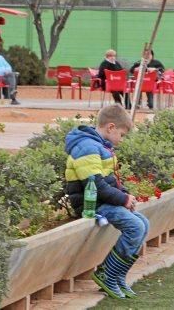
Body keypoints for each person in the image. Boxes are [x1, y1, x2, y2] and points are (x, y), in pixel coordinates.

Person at [64, 104, 149, 299]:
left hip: (103, 201)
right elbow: (95, 184)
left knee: (144, 223)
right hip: (91, 205)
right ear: (110, 127)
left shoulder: (100, 146)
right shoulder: (87, 147)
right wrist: (122, 199)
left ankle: (118, 275)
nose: (122, 139)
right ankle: (107, 274)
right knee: (135, 226)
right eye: (122, 134)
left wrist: (126, 195)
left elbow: (110, 179)